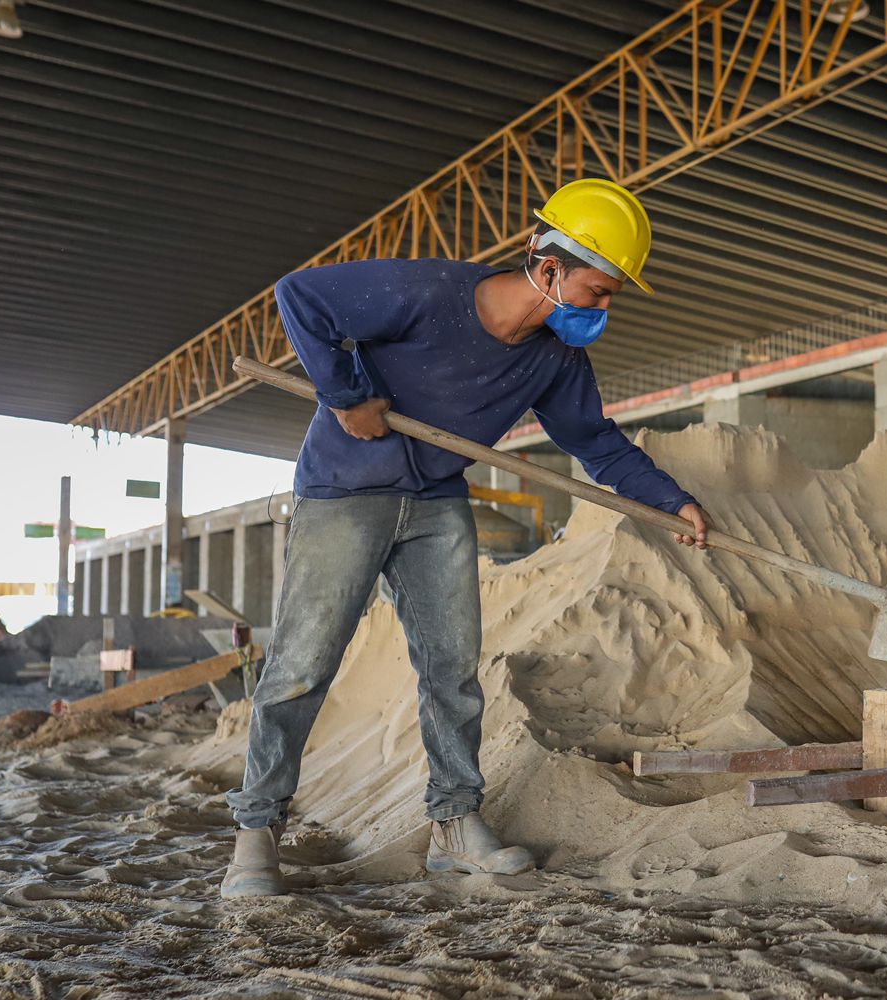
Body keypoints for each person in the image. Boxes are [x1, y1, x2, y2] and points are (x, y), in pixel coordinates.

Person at [220, 178, 710, 897]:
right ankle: (257, 835)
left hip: (437, 499)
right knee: (300, 666)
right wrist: (348, 398)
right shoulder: (429, 292)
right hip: (345, 491)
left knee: (451, 671)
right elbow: (302, 296)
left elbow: (596, 445)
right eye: (598, 290)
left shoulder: (556, 358)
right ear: (548, 268)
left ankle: (454, 825)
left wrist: (675, 501)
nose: (603, 309)